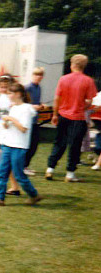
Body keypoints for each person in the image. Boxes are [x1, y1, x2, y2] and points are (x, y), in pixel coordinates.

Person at [45, 54, 98, 182]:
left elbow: (57, 98)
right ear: (84, 66)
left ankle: (50, 169)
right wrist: (81, 106)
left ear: (72, 65)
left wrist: (55, 114)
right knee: (74, 146)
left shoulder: (63, 79)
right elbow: (90, 101)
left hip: (63, 115)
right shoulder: (88, 81)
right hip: (78, 118)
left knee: (59, 143)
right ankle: (70, 173)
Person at [0, 83, 42, 206]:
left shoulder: (26, 109)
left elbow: (24, 128)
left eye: (10, 93)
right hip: (7, 144)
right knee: (2, 172)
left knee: (18, 174)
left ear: (18, 94)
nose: (8, 95)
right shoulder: (14, 108)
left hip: (19, 146)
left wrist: (11, 119)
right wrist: (5, 122)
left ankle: (34, 194)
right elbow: (10, 126)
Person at [24, 67, 47, 175]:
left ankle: (26, 165)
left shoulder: (39, 88)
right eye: (36, 74)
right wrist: (34, 107)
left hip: (35, 120)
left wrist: (41, 105)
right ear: (32, 75)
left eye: (40, 75)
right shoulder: (27, 87)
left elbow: (36, 102)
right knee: (28, 145)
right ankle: (23, 166)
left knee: (34, 145)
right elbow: (22, 104)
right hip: (27, 120)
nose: (38, 77)